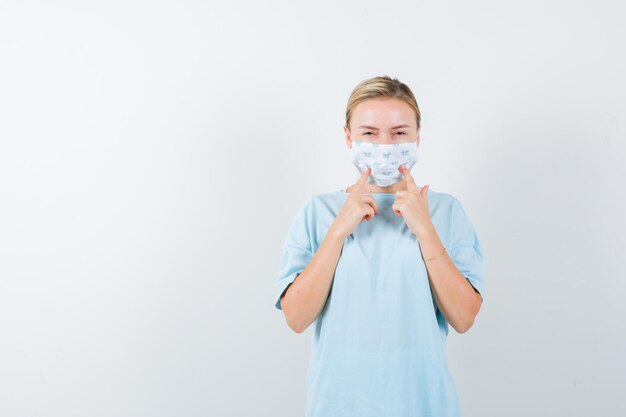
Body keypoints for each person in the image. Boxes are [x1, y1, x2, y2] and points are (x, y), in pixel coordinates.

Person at [274, 75, 485, 417]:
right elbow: (296, 318)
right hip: (338, 405)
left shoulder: (446, 212)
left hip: (424, 405)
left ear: (417, 137)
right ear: (348, 137)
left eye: (399, 133)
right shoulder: (318, 212)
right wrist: (338, 232)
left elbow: (463, 318)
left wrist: (425, 230)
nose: (384, 145)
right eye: (369, 133)